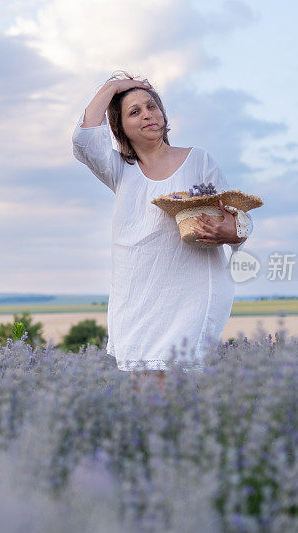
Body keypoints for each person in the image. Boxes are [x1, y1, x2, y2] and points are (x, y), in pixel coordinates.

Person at [72, 72, 252, 389]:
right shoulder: (119, 170)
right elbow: (84, 140)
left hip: (191, 293)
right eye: (134, 112)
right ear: (120, 128)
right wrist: (113, 86)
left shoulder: (199, 160)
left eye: (151, 106)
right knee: (146, 396)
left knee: (179, 389)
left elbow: (237, 220)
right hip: (138, 298)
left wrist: (229, 233)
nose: (147, 116)